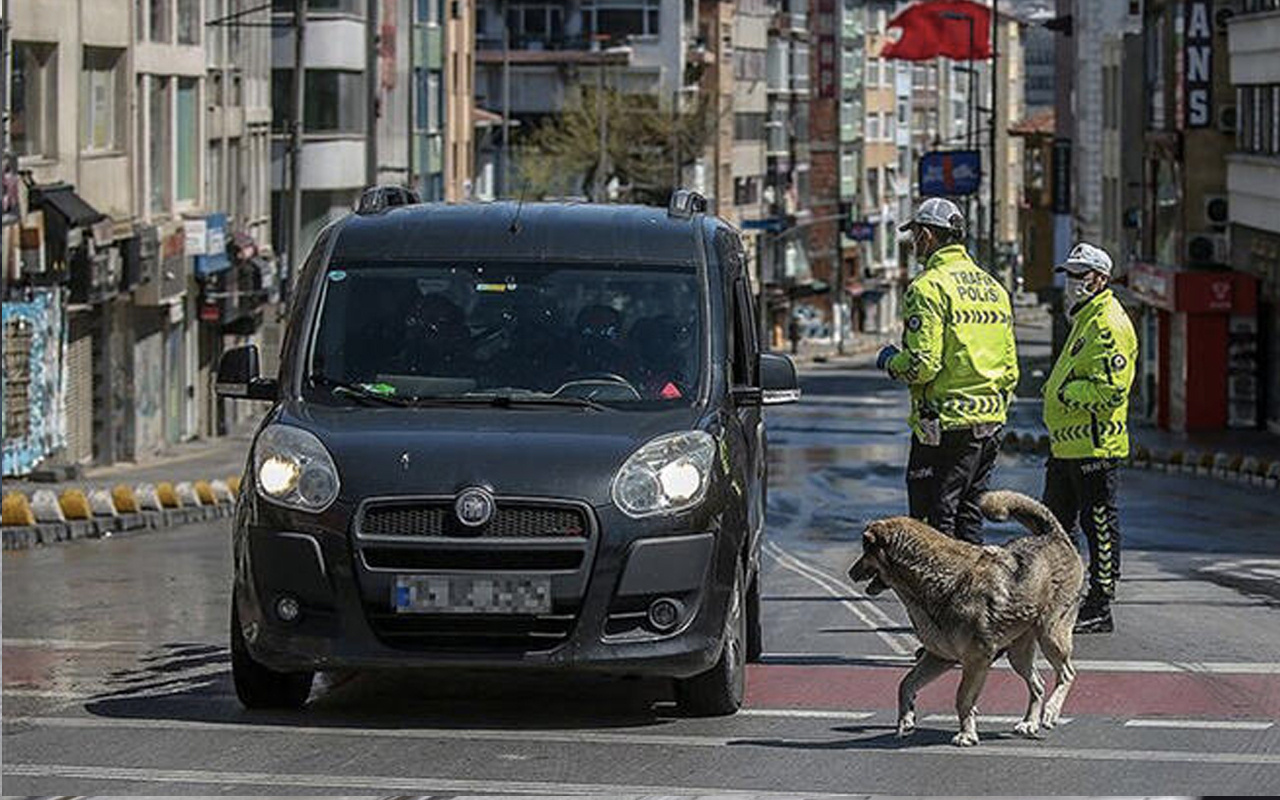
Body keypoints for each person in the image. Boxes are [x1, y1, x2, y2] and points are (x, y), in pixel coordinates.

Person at [876, 198, 1019, 544]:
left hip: (943, 427)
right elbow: (1011, 368)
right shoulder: (993, 289)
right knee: (969, 512)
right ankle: (976, 594)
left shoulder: (928, 288)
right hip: (989, 425)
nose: (913, 245)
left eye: (915, 237)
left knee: (934, 520)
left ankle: (943, 597)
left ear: (926, 236)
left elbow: (921, 366)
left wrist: (890, 362)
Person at [1041, 242, 1137, 634]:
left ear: (1099, 278)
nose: (1072, 282)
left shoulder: (1108, 323)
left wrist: (1065, 394)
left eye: (1079, 275)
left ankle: (1100, 604)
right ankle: (1056, 598)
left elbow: (1113, 391)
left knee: (1098, 524)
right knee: (1053, 526)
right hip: (1066, 446)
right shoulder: (1085, 318)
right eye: (1069, 274)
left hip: (1094, 445)